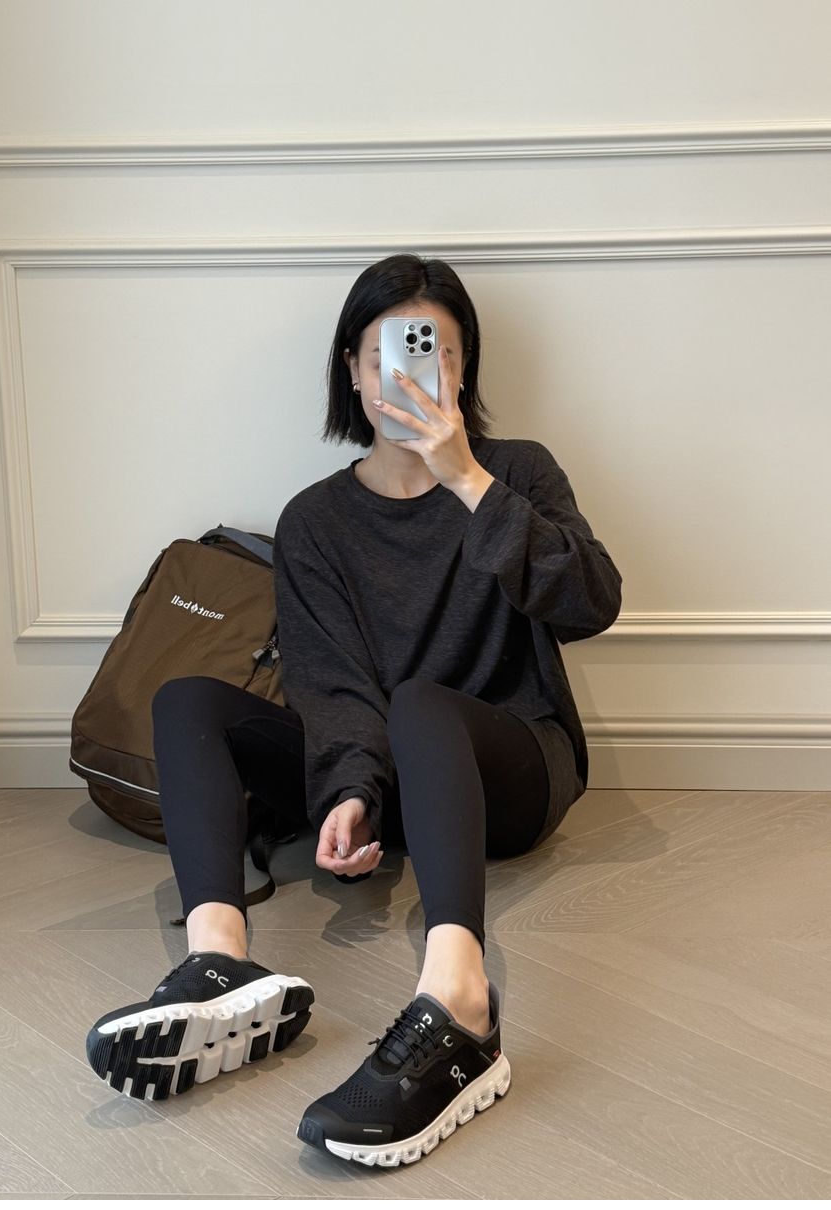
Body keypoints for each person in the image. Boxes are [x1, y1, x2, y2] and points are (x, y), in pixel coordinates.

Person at [85, 253, 622, 1167]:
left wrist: (468, 481)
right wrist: (350, 789)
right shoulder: (316, 520)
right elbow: (330, 681)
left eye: (434, 353)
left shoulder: (516, 473)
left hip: (508, 771)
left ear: (463, 369)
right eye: (387, 356)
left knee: (420, 702)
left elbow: (594, 604)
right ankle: (220, 960)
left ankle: (461, 1003)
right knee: (187, 702)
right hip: (394, 775)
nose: (408, 375)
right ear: (353, 370)